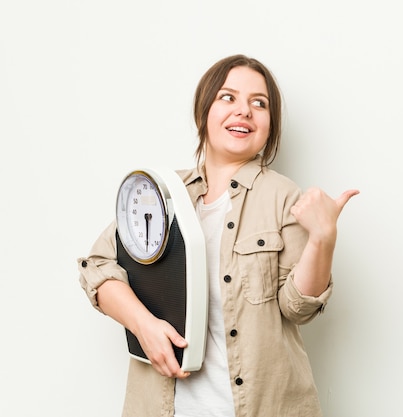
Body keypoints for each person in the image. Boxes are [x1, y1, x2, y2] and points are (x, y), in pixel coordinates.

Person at [77, 54, 359, 417]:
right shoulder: (159, 194)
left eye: (259, 104)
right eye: (228, 97)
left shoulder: (283, 197)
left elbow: (297, 306)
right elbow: (98, 267)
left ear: (270, 126)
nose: (244, 111)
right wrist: (142, 324)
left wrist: (323, 238)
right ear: (204, 112)